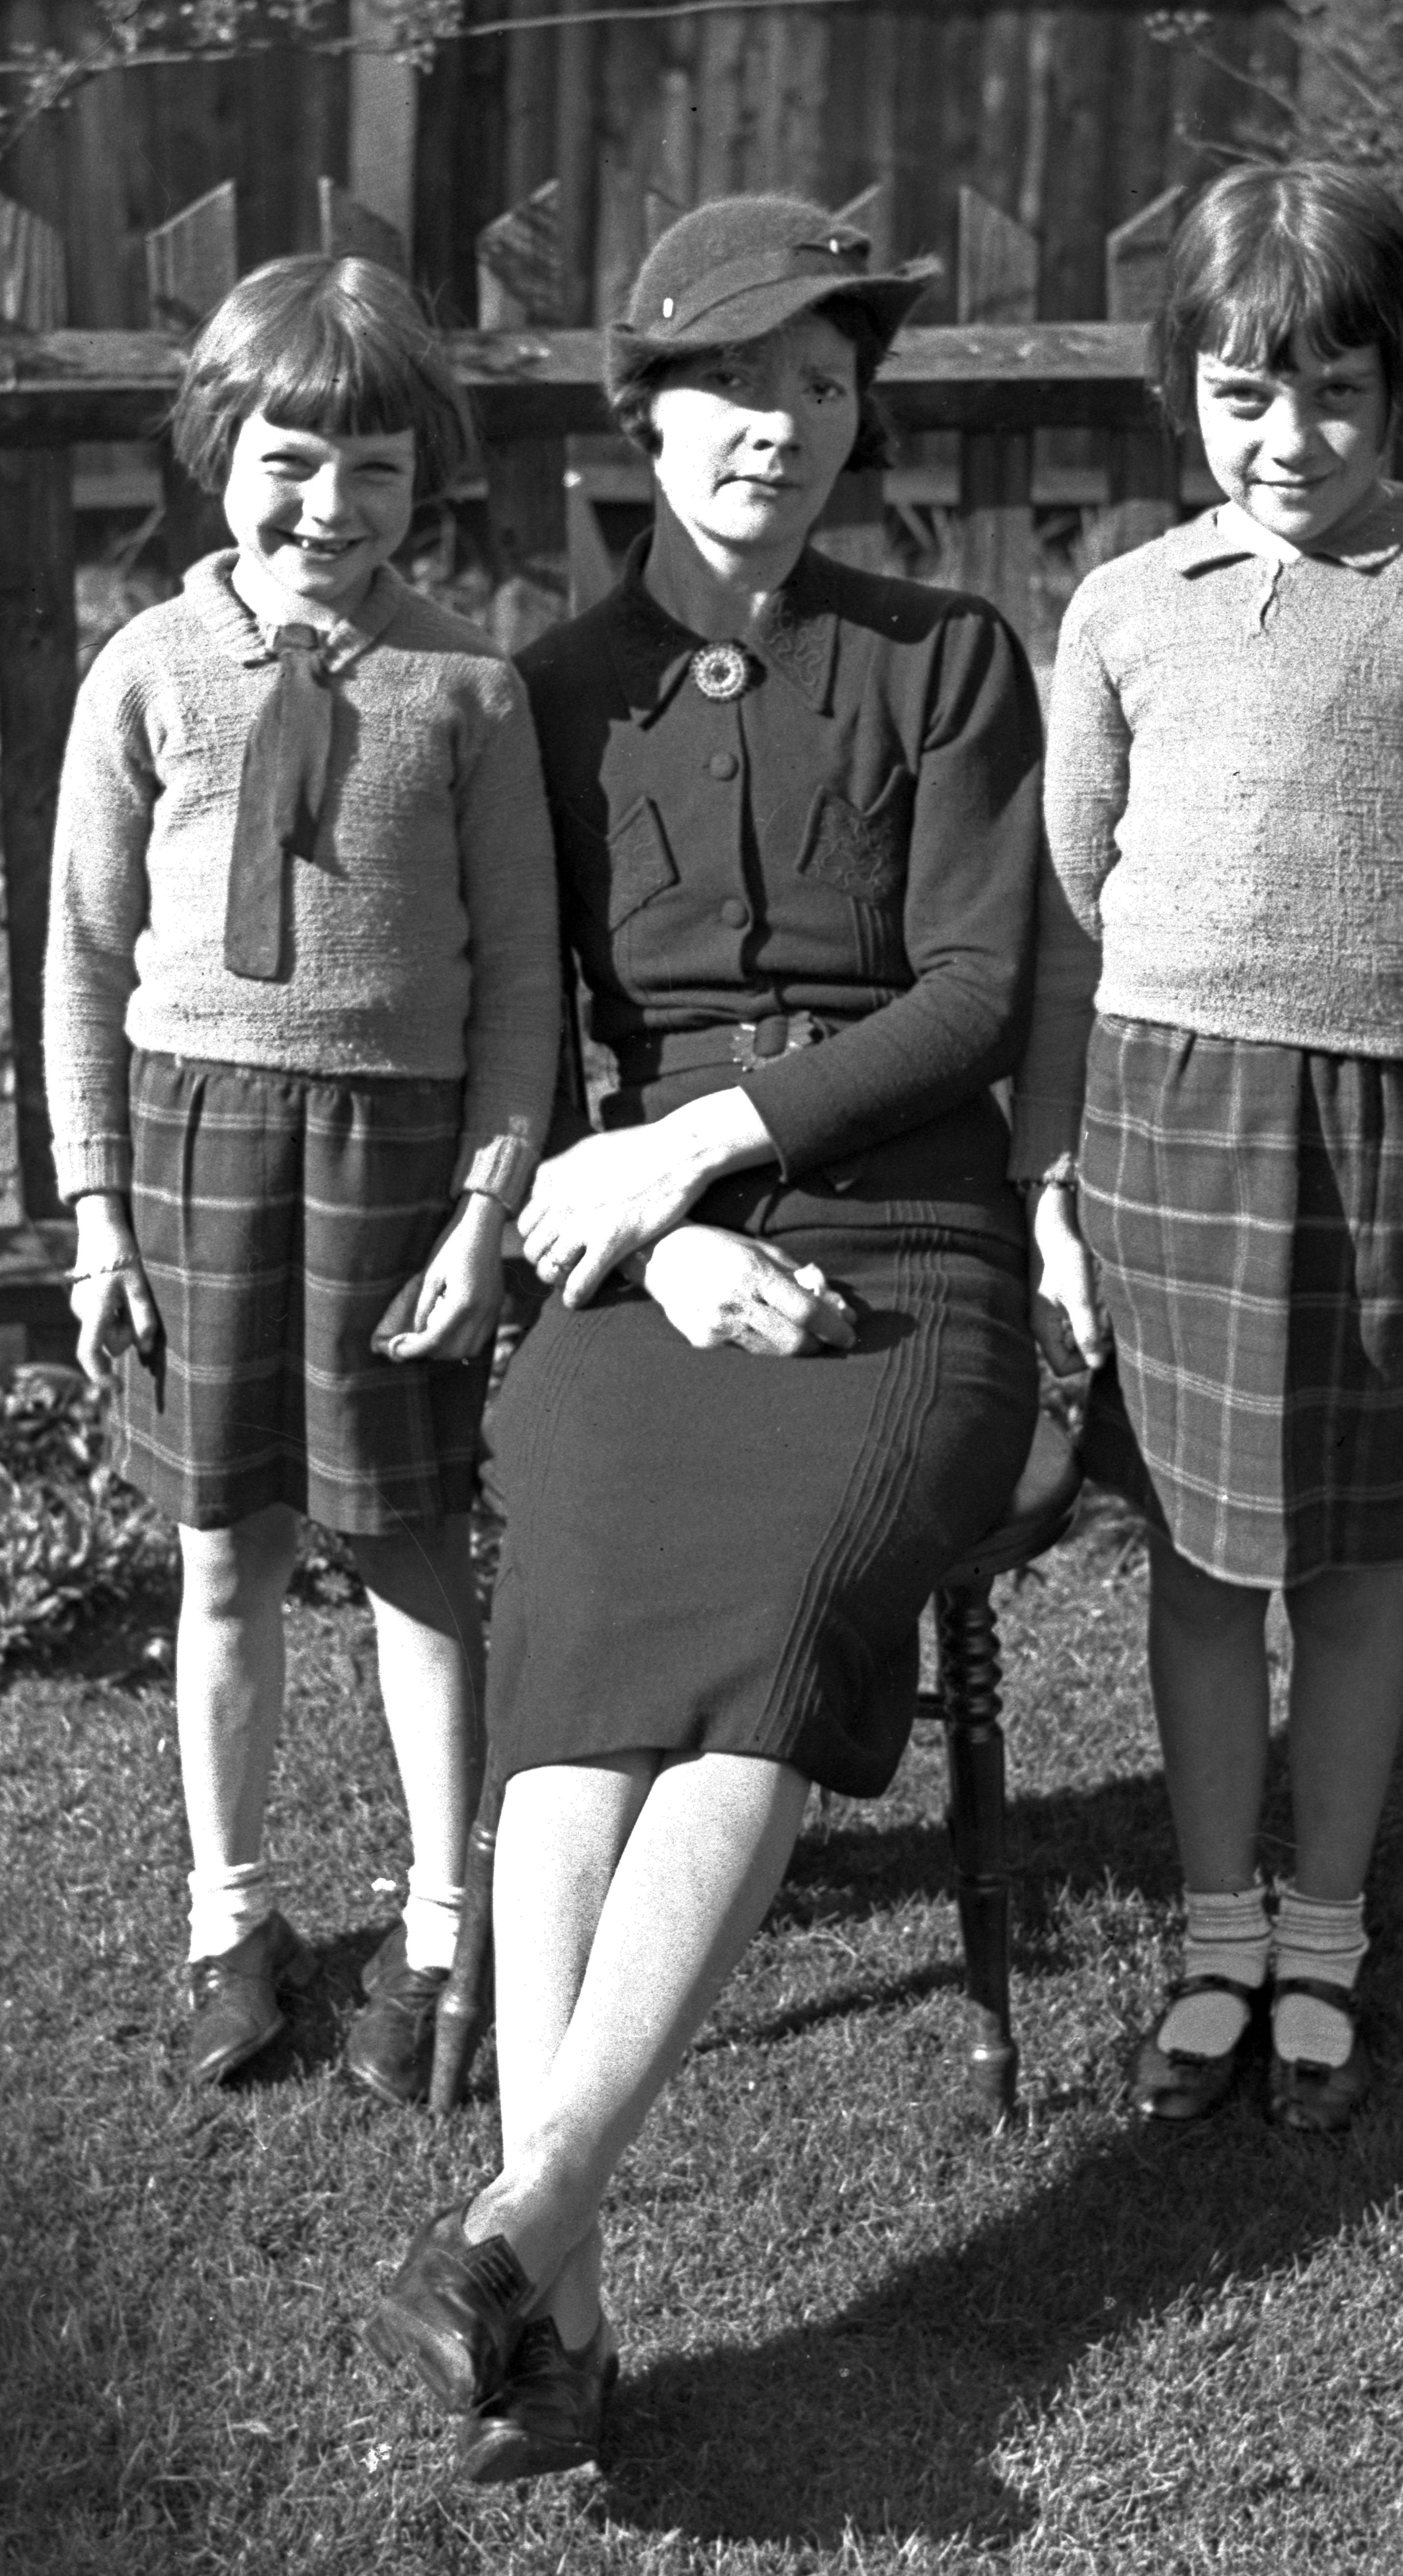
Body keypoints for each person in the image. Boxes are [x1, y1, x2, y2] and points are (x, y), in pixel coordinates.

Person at [360, 194, 1046, 2480]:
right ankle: (553, 2320)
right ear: (641, 419)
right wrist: (649, 1237)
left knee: (771, 1629)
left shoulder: (946, 660)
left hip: (906, 1250)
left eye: (821, 385)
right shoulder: (548, 696)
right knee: (573, 1662)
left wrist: (702, 1147)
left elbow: (975, 993)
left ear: (857, 421)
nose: (779, 425)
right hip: (633, 1258)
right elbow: (530, 1045)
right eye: (733, 385)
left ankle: (526, 2226)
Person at [1017, 162, 1403, 2133]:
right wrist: (1049, 1188)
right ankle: (1214, 1930)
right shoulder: (1120, 611)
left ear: (1397, 389)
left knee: (1340, 1568)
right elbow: (1067, 926)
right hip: (1160, 1128)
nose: (1290, 439)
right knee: (1192, 1564)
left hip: (1373, 1143)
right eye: (1245, 395)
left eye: (1337, 394)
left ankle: (1320, 1934)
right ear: (1185, 385)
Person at [44, 255, 560, 2103]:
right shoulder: (147, 671)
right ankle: (232, 1919)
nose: (330, 508)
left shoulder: (466, 688)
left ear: (425, 481)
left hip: (397, 1168)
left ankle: (442, 1928)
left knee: (413, 1551)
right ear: (219, 450)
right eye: (290, 460)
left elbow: (521, 983)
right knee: (224, 1557)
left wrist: (486, 1210)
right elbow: (82, 954)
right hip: (196, 1150)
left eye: (377, 472)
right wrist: (96, 1209)